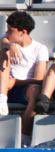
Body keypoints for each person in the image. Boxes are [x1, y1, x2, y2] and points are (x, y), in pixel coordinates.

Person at [0, 10, 48, 142]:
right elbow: (2, 41)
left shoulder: (40, 49)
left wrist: (15, 81)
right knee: (4, 55)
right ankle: (2, 99)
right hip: (4, 85)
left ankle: (24, 136)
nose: (7, 33)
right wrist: (10, 46)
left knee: (35, 91)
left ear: (23, 32)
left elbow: (38, 79)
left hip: (23, 88)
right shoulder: (7, 40)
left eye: (11, 31)